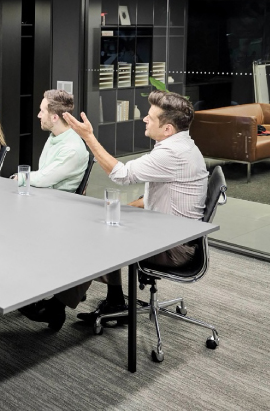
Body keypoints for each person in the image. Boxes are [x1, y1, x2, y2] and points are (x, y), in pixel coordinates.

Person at [61, 90, 209, 324]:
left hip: (174, 248)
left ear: (167, 129)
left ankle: (56, 307)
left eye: (151, 117)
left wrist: (88, 137)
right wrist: (126, 208)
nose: (144, 119)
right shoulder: (183, 145)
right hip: (175, 234)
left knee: (98, 237)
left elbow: (122, 175)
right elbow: (159, 196)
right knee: (108, 223)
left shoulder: (172, 153)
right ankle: (113, 300)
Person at [13, 89, 89, 192]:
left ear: (54, 118)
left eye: (42, 111)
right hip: (44, 193)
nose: (39, 115)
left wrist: (20, 177)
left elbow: (43, 179)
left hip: (56, 199)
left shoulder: (72, 149)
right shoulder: (55, 136)